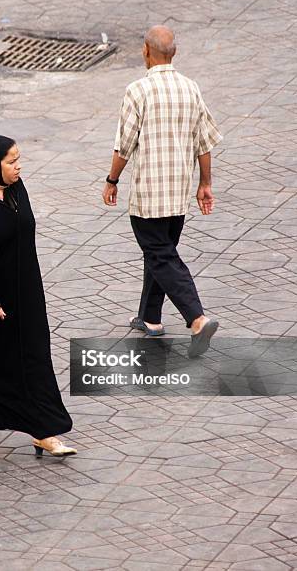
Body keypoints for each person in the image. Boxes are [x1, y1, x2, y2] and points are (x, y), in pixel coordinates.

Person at [103, 25, 223, 358]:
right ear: (174, 52)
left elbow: (124, 145)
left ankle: (197, 319)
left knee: (161, 255)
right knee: (160, 252)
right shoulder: (191, 88)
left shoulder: (137, 90)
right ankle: (150, 318)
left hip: (149, 195)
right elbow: (205, 142)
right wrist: (205, 183)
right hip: (179, 192)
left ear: (146, 50)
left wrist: (111, 180)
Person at [0, 135, 76, 457]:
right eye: (11, 161)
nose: (18, 166)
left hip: (27, 293)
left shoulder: (17, 189)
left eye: (18, 159)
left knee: (35, 358)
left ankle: (43, 431)